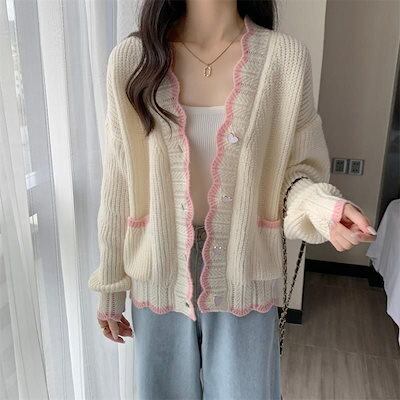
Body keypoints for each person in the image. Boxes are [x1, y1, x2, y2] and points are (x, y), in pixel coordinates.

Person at [88, 1, 376, 398]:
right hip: (157, 271)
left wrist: (324, 208)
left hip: (245, 271)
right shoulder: (132, 60)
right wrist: (110, 286)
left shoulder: (285, 60)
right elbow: (118, 185)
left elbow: (297, 174)